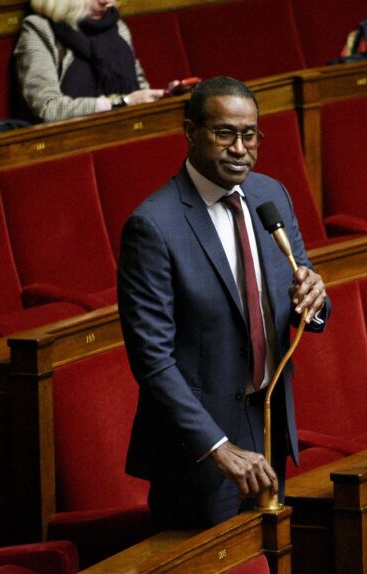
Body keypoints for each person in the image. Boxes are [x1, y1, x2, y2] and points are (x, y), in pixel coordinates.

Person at [118, 76, 330, 529]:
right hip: (197, 453)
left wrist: (314, 298)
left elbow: (301, 287)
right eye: (225, 133)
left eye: (250, 135)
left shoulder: (271, 195)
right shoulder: (154, 225)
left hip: (270, 418)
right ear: (190, 132)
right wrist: (217, 447)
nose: (240, 149)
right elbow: (151, 359)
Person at [14, 0, 164, 122]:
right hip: (73, 139)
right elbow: (47, 108)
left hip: (129, 127)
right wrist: (119, 103)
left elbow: (140, 90)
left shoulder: (116, 26)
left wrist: (163, 95)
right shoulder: (40, 29)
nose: (105, 1)